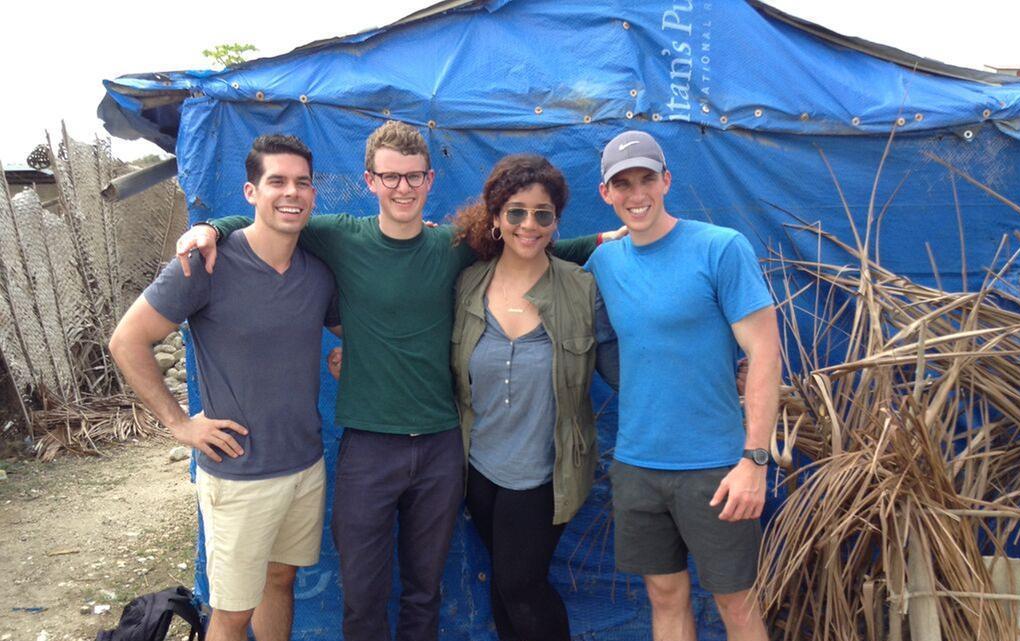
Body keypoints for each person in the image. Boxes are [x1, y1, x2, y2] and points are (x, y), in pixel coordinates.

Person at [173, 120, 625, 641]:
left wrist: (598, 240)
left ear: (430, 179)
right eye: (390, 177)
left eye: (413, 177)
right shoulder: (339, 236)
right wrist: (215, 227)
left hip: (440, 445)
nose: (403, 188)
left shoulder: (453, 248)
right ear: (370, 181)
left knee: (423, 592)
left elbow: (529, 245)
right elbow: (272, 221)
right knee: (362, 596)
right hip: (368, 445)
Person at [109, 134, 340, 641]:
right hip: (238, 473)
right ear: (251, 192)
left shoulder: (318, 273)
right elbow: (127, 340)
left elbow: (359, 334)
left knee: (282, 580)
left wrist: (356, 354)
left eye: (302, 182)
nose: (291, 193)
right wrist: (178, 424)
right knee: (231, 613)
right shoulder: (205, 264)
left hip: (304, 463)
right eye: (276, 181)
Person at [585, 131, 781, 641]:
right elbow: (530, 263)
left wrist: (754, 461)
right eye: (621, 184)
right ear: (605, 193)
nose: (636, 194)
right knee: (663, 596)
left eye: (646, 178)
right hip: (637, 465)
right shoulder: (603, 264)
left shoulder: (720, 248)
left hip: (718, 469)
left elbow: (764, 353)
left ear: (666, 180)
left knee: (737, 604)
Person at [448, 154, 619, 640]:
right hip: (477, 468)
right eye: (517, 212)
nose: (529, 224)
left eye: (543, 214)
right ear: (497, 217)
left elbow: (619, 367)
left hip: (547, 470)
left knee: (520, 585)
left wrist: (707, 370)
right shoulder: (468, 284)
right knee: (505, 588)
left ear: (557, 221)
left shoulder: (582, 288)